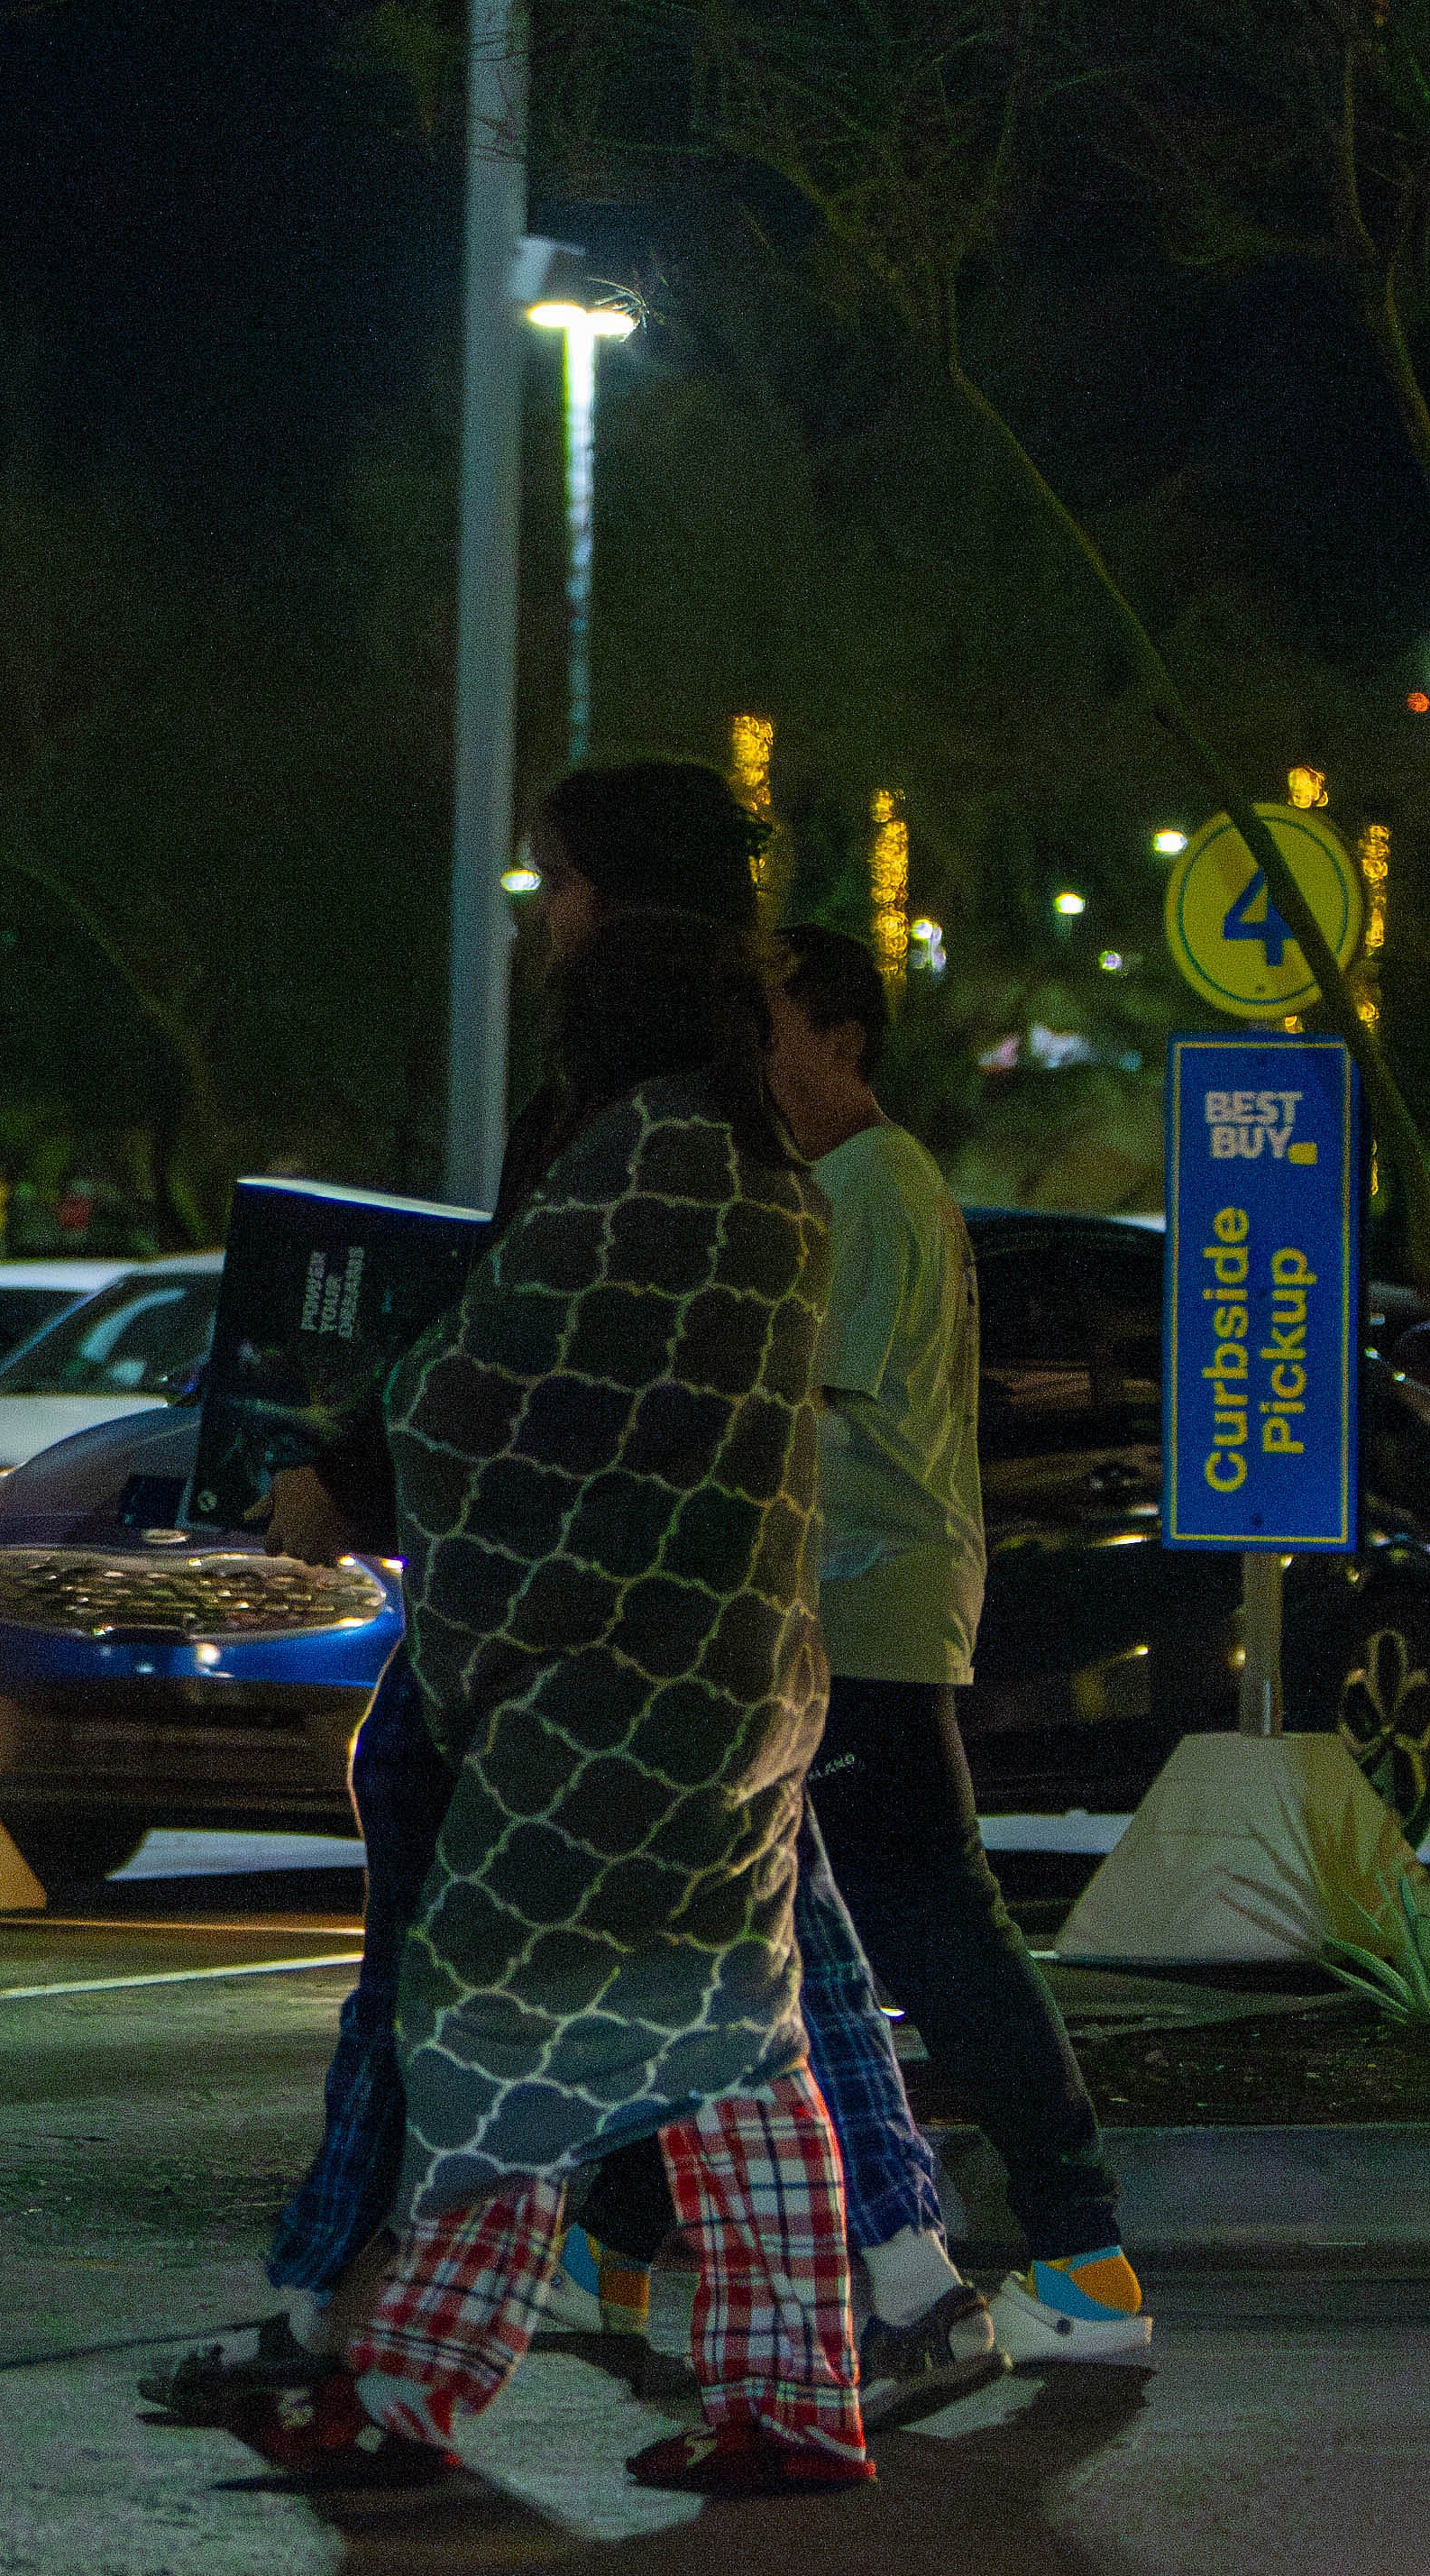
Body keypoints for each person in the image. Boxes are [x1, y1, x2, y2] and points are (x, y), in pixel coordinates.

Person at [170, 763, 979, 2422]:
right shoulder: (758, 1165)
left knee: (494, 1985)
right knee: (733, 2018)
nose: (539, 918)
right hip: (724, 1660)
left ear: (610, 924)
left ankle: (375, 2337)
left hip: (592, 1665)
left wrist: (358, 1476)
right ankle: (800, 2356)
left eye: (553, 887)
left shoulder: (640, 1156)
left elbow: (497, 1367)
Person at [757, 921, 1146, 2361]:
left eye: (772, 1032)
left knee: (932, 1928)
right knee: (779, 1935)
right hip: (846, 1609)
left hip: (865, 1608)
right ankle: (612, 2252)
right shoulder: (861, 1187)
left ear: (843, 1039)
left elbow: (822, 1410)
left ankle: (1082, 2257)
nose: (755, 1064)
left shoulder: (871, 1191)